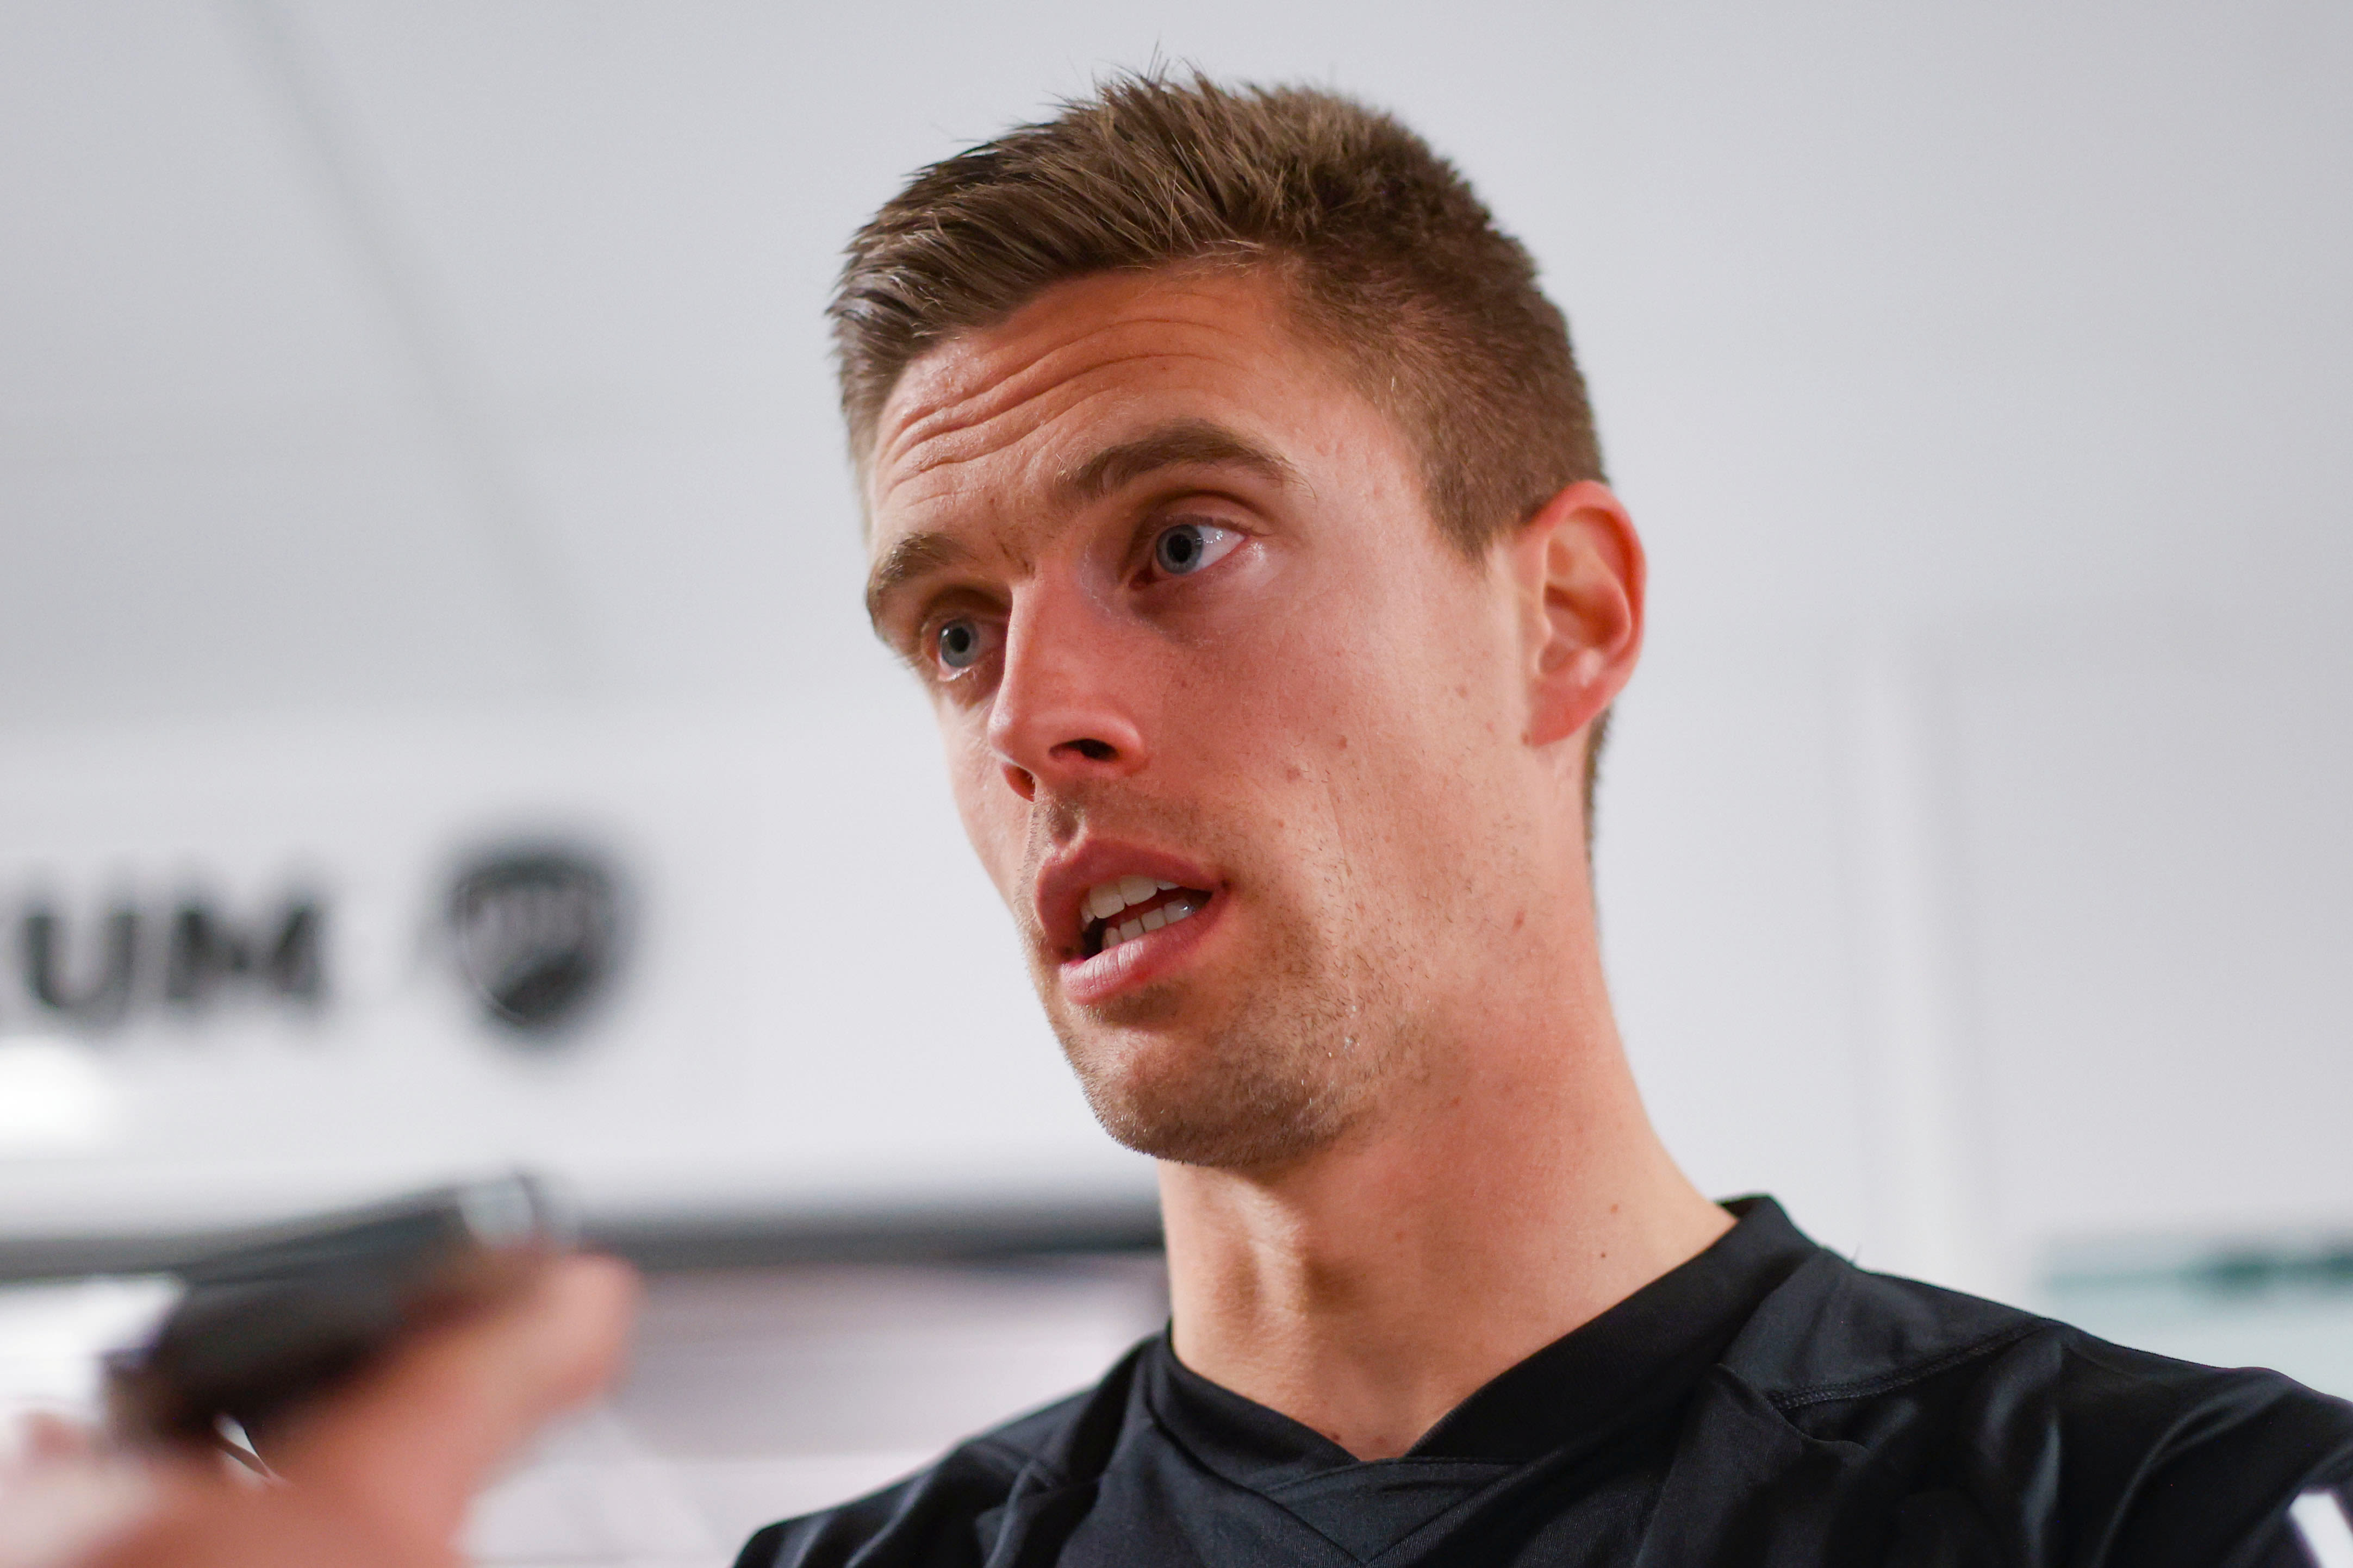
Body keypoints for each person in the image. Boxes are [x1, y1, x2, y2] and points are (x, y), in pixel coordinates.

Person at [41, 70, 2353, 1568]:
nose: (1032, 717)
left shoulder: (2175, 1514)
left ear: (1559, 616)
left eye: (1177, 543)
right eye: (953, 631)